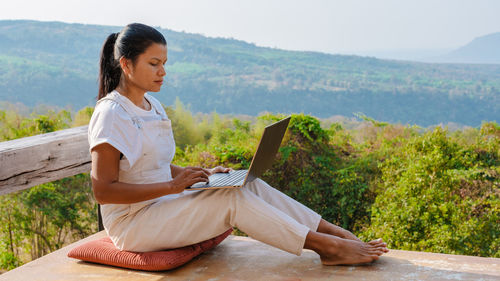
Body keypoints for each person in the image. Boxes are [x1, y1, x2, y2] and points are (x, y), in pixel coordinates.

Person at [88, 23, 388, 266]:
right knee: (230, 200)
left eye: (164, 63)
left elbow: (149, 165)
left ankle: (336, 233)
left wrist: (203, 175)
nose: (163, 72)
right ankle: (328, 247)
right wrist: (172, 187)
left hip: (163, 207)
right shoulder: (112, 113)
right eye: (154, 64)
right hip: (134, 224)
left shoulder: (152, 105)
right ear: (126, 64)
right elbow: (103, 191)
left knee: (244, 183)